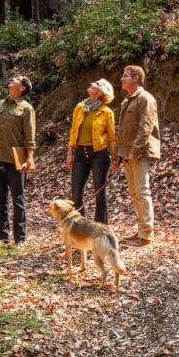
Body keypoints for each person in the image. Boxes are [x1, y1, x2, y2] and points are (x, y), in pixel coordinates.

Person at [0, 75, 36, 245]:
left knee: (18, 199)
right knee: (0, 199)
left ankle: (20, 239)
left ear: (23, 88)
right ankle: (2, 236)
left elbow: (30, 138)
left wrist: (29, 159)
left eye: (17, 78)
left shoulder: (26, 108)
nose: (12, 79)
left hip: (15, 160)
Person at [111, 65, 160, 247]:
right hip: (127, 154)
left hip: (141, 154)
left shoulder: (145, 99)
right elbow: (122, 131)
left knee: (141, 191)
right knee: (134, 193)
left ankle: (146, 235)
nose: (122, 79)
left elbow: (145, 127)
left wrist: (135, 151)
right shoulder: (127, 100)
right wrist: (118, 155)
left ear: (136, 78)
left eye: (125, 76)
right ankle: (142, 231)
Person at [64, 78, 116, 224]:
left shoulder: (106, 112)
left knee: (99, 193)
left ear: (101, 92)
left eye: (97, 84)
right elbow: (73, 131)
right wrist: (69, 153)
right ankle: (80, 228)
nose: (92, 84)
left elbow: (112, 137)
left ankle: (101, 228)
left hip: (99, 154)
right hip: (80, 153)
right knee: (76, 193)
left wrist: (115, 157)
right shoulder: (80, 107)